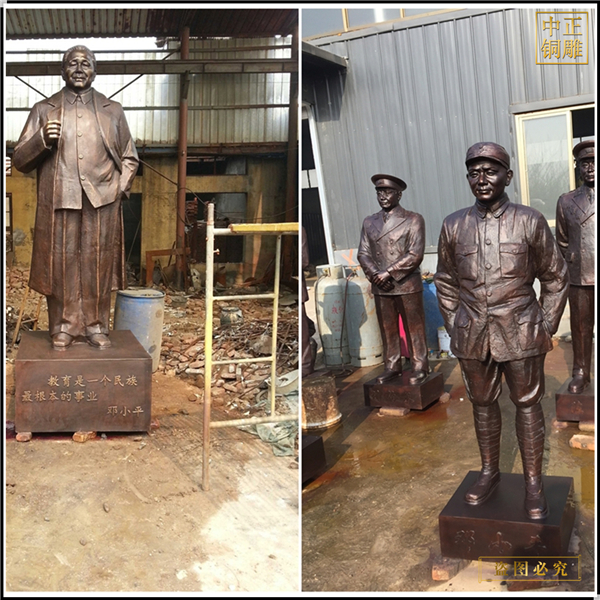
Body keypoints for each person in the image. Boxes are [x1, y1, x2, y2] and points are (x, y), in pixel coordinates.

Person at [434, 142, 568, 519]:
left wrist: (544, 325)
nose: (482, 179)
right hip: (472, 331)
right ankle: (489, 472)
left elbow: (556, 276)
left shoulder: (529, 220)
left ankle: (533, 482)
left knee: (527, 404)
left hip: (521, 329)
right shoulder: (453, 225)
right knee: (481, 404)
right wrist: (455, 323)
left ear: (507, 177)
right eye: (474, 172)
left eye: (490, 171)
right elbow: (445, 281)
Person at [13, 45, 139, 350]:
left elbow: (129, 156)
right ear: (62, 70)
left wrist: (119, 188)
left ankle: (96, 326)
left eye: (86, 63)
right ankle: (63, 327)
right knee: (62, 263)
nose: (80, 68)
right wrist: (41, 139)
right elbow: (19, 160)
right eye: (72, 63)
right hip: (61, 196)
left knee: (98, 263)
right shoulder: (43, 110)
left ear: (95, 70)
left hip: (103, 198)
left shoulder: (113, 110)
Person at [357, 174, 429, 385]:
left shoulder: (413, 219)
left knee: (414, 328)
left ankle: (420, 366)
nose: (383, 196)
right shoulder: (369, 222)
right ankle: (392, 366)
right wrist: (375, 274)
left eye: (388, 192)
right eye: (379, 192)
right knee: (387, 328)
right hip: (381, 286)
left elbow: (415, 254)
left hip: (406, 284)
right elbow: (363, 253)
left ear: (399, 194)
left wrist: (387, 272)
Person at [556, 140, 595, 394]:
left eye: (594, 162)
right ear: (577, 166)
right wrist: (573, 260)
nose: (590, 167)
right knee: (581, 329)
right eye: (585, 163)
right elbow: (561, 239)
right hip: (580, 274)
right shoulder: (566, 201)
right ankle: (581, 372)